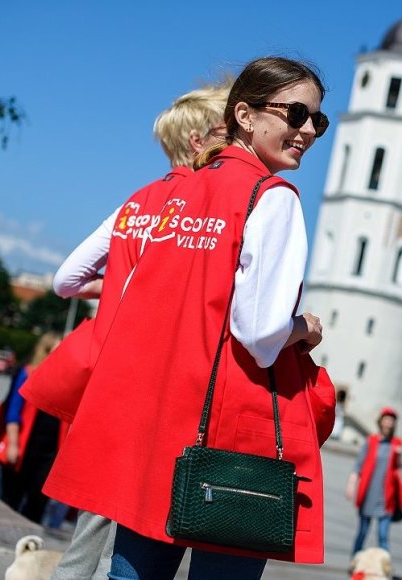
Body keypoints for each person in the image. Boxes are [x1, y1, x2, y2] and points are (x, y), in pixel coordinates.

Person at [42, 56, 332, 580]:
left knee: (130, 573)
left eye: (318, 119)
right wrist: (303, 328)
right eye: (295, 114)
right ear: (244, 115)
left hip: (153, 427)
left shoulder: (165, 197)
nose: (308, 130)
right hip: (225, 436)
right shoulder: (272, 199)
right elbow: (259, 333)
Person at [38, 83, 232, 580]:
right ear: (198, 142)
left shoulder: (136, 203)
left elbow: (65, 280)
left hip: (107, 384)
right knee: (128, 540)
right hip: (157, 388)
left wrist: (116, 287)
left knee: (89, 530)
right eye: (226, 135)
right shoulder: (200, 211)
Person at [0, 332, 62, 524]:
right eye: (59, 349)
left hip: (49, 453)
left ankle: (29, 543)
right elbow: (13, 411)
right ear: (46, 351)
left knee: (38, 502)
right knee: (11, 498)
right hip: (24, 447)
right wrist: (13, 444)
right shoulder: (27, 373)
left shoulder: (63, 380)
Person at [346, 407, 402, 555]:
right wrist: (351, 484)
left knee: (383, 536)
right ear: (381, 422)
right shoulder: (371, 441)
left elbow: (397, 467)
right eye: (386, 420)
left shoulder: (397, 443)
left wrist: (399, 455)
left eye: (391, 420)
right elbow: (359, 465)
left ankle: (384, 569)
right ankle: (355, 563)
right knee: (362, 532)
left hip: (387, 497)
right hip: (368, 495)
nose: (388, 423)